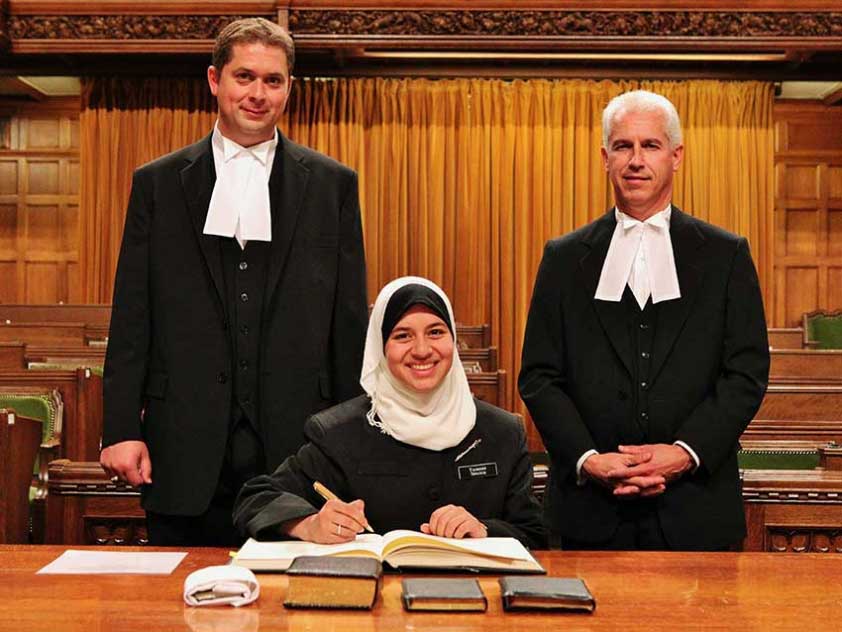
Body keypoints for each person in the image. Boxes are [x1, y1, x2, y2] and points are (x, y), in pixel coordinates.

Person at [100, 18, 368, 546]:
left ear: (290, 88)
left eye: (273, 80)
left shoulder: (333, 185)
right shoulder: (157, 183)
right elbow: (133, 315)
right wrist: (121, 429)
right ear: (214, 80)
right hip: (182, 444)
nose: (258, 93)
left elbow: (348, 324)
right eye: (244, 76)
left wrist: (349, 446)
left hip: (298, 448)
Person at [518, 90, 769, 551]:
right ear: (604, 158)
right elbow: (539, 376)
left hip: (697, 511)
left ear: (676, 157)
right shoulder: (563, 258)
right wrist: (589, 459)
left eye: (650, 146)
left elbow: (746, 373)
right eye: (622, 146)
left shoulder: (726, 255)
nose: (636, 160)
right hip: (588, 513)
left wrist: (684, 453)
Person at [233, 277, 545, 549]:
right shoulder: (339, 433)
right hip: (372, 606)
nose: (422, 350)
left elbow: (534, 533)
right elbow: (255, 498)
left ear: (453, 340)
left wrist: (484, 530)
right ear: (380, 349)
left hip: (478, 607)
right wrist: (307, 524)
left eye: (436, 332)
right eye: (402, 335)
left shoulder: (502, 432)